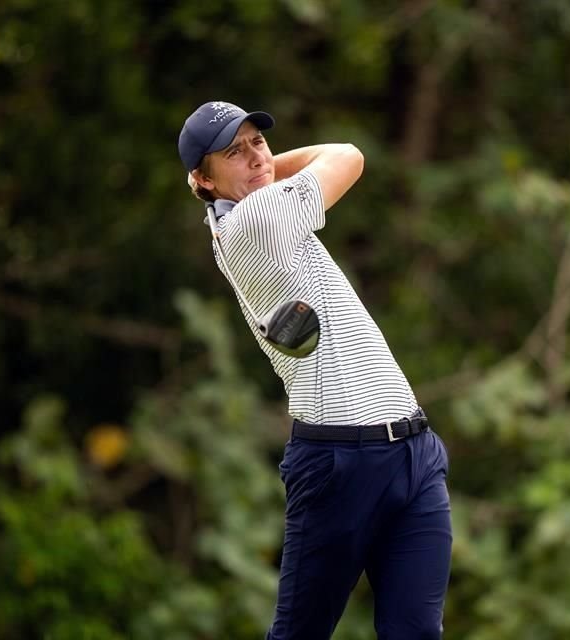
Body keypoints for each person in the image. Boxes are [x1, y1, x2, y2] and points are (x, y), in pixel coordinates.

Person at [178, 100, 452, 639]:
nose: (256, 157)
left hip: (414, 454)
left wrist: (255, 169)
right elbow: (346, 155)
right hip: (339, 464)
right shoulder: (257, 221)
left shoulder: (250, 213)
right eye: (234, 152)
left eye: (259, 142)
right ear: (203, 181)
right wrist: (271, 171)